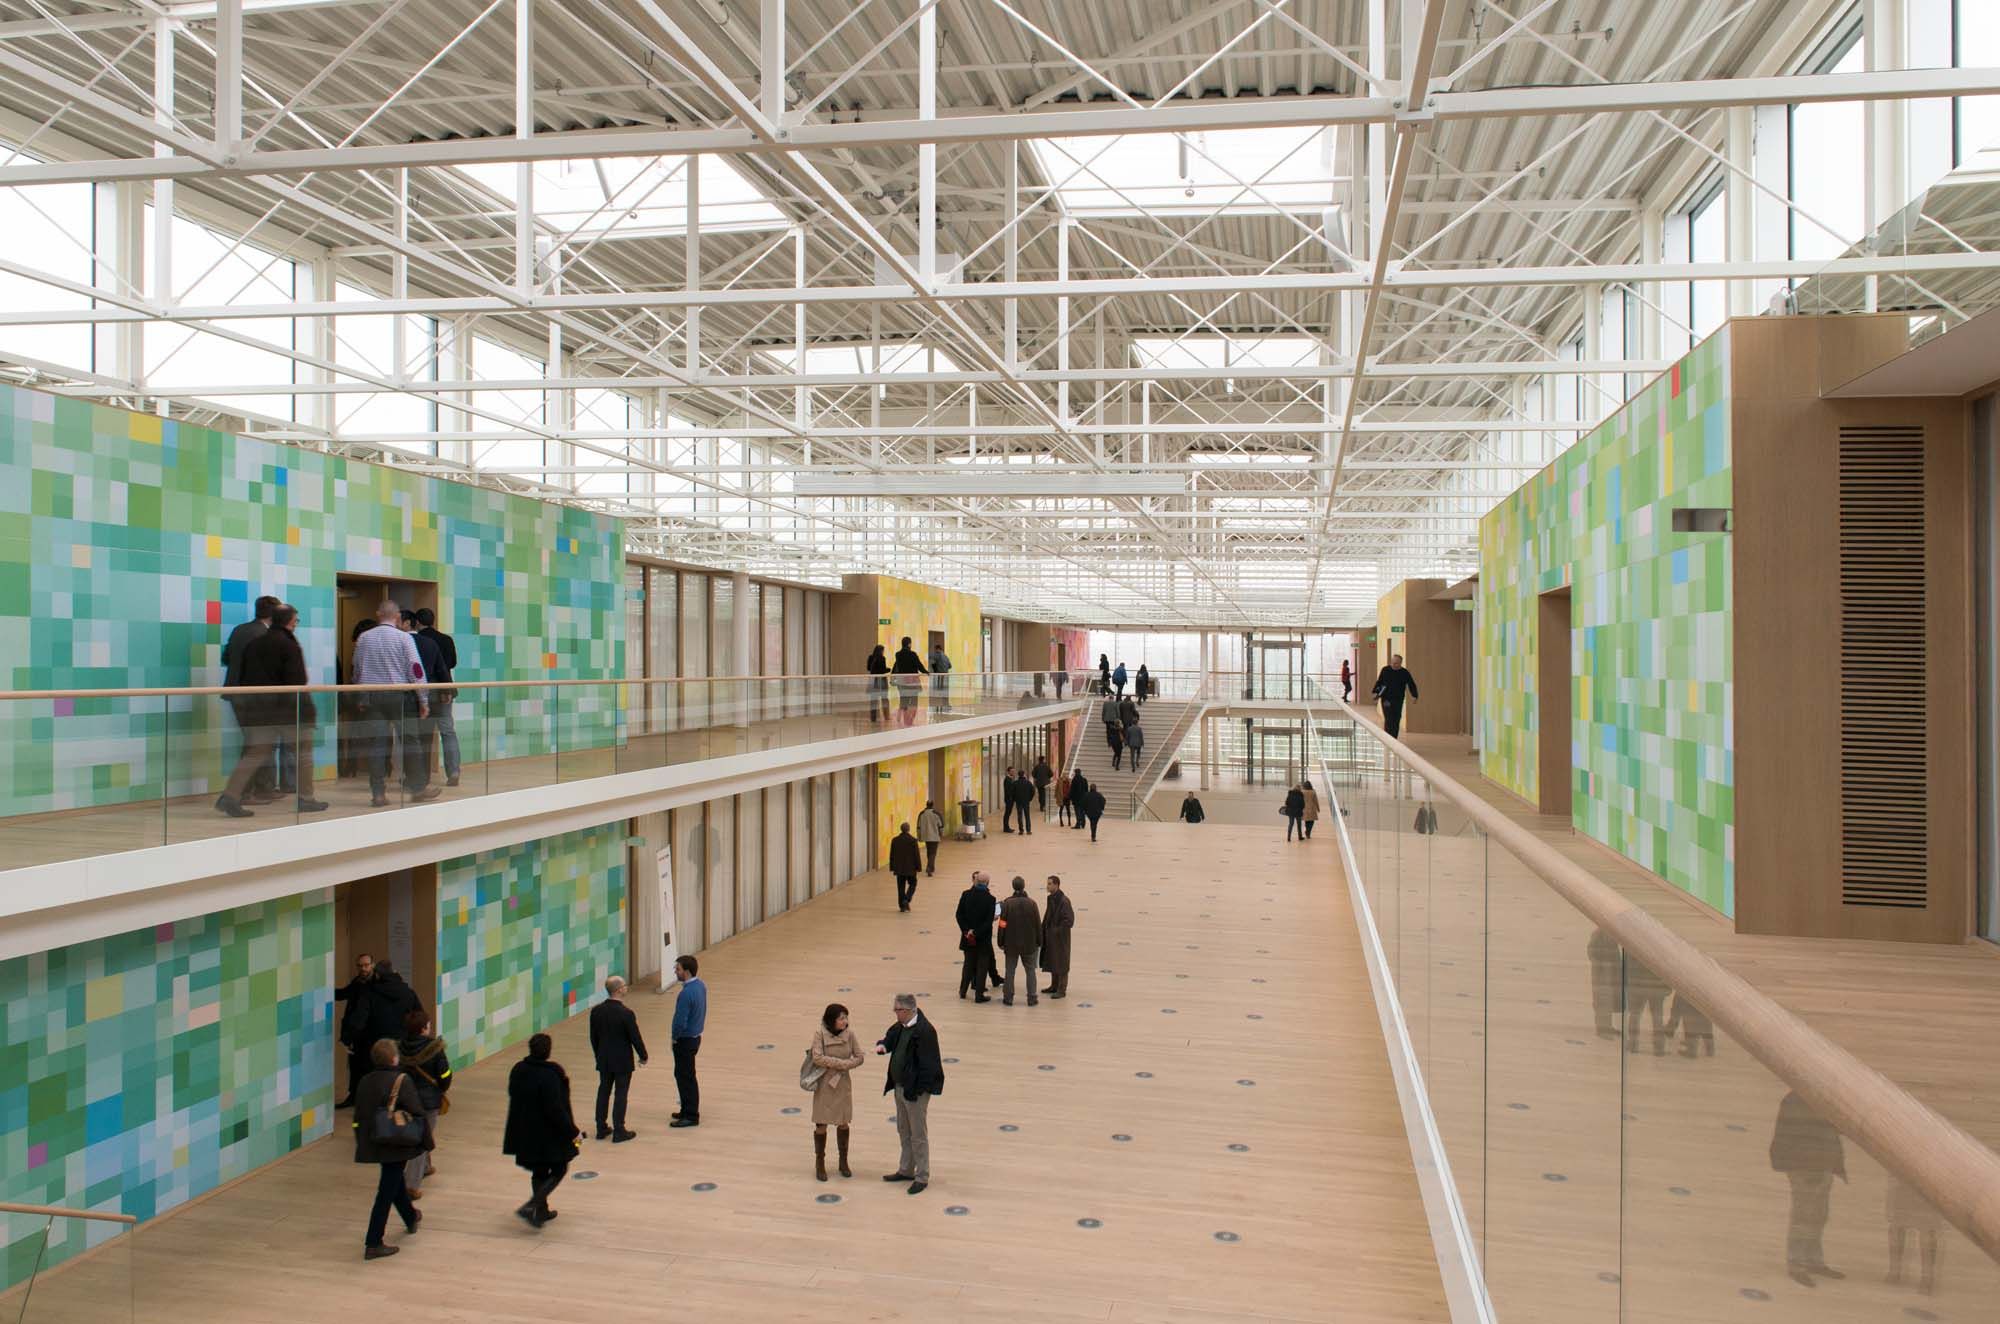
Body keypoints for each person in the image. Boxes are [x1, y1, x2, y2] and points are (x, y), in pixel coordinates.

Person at [217, 604, 329, 817]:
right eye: (296, 620)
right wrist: (305, 711)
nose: (296, 624)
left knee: (255, 752)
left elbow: (244, 675)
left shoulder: (255, 644)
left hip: (260, 710)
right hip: (288, 711)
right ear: (289, 622)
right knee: (303, 753)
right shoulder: (289, 645)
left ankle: (230, 796)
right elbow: (297, 681)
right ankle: (306, 798)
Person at [351, 600, 432, 806]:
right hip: (400, 697)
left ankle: (378, 793)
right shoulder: (404, 638)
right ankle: (418, 788)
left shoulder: (364, 638)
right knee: (410, 742)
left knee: (377, 745)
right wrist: (423, 699)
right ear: (397, 617)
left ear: (378, 614)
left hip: (372, 697)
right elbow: (416, 670)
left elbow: (357, 669)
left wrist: (360, 695)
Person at [353, 1038, 425, 1259]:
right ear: (394, 1058)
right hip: (397, 1141)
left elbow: (360, 1115)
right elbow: (416, 1112)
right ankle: (373, 1241)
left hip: (375, 1139)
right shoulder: (402, 1080)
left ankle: (410, 1216)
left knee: (393, 1180)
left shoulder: (365, 1081)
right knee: (386, 1190)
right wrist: (425, 1141)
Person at [502, 1033, 581, 1230]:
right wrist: (573, 1132)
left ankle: (541, 1210)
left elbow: (512, 1092)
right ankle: (533, 1204)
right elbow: (556, 1109)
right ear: (548, 1051)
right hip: (547, 1134)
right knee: (560, 1168)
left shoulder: (518, 1069)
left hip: (525, 1131)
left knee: (539, 1170)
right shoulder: (551, 1075)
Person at [1769, 1090, 1846, 1287]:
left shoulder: (1823, 1098)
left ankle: (1813, 1260)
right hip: (1806, 1167)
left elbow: (1831, 1128)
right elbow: (1798, 1137)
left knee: (1819, 1215)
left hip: (1823, 1164)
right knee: (1803, 1216)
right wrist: (1810, 1167)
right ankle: (1796, 1264)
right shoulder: (1796, 1101)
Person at [875, 993, 944, 1194]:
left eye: (897, 1010)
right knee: (904, 1130)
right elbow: (891, 1035)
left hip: (915, 1091)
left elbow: (929, 1066)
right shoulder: (902, 1025)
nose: (895, 1013)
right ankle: (906, 1169)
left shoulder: (925, 1031)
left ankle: (922, 1176)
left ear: (908, 1010)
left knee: (918, 1135)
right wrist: (884, 1045)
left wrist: (918, 1091)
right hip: (900, 1087)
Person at [221, 595, 281, 802]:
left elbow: (226, 658)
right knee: (257, 744)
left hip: (236, 694)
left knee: (256, 741)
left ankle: (263, 787)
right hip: (258, 697)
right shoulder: (267, 635)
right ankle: (245, 792)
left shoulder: (239, 630)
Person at [398, 1009, 452, 1199]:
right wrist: (442, 1089)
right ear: (423, 1029)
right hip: (428, 1102)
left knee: (420, 1133)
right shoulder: (435, 1049)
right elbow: (445, 1075)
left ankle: (426, 1167)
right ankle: (411, 1185)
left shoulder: (399, 1048)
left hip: (406, 1100)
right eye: (428, 1025)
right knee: (421, 1139)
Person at [808, 1002, 864, 1181]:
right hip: (825, 1084)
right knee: (821, 1124)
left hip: (842, 1084)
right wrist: (841, 1064)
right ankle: (820, 1163)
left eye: (846, 1018)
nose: (845, 1021)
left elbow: (860, 1057)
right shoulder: (820, 1034)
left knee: (843, 1123)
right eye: (841, 1018)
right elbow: (817, 1057)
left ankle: (843, 1161)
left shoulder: (850, 1034)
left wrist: (847, 1065)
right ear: (832, 1020)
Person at [589, 975, 649, 1142]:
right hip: (622, 1061)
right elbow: (635, 1037)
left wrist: (598, 1055)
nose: (626, 987)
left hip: (604, 1059)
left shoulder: (596, 1011)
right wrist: (643, 1055)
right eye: (624, 985)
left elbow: (593, 1037)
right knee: (620, 1094)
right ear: (619, 990)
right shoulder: (626, 1014)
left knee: (603, 1091)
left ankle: (601, 1128)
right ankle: (619, 1130)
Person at [399, 612, 447, 798]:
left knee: (409, 739)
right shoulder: (430, 643)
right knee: (425, 740)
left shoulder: (400, 643)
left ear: (407, 623)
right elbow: (441, 668)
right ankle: (423, 779)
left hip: (405, 696)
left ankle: (410, 778)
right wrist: (447, 690)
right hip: (430, 694)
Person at [414, 608, 461, 787]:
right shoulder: (446, 639)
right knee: (448, 731)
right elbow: (452, 663)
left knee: (423, 734)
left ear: (418, 622)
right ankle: (454, 771)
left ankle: (420, 775)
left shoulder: (416, 640)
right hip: (445, 689)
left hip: (425, 691)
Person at [334, 953, 376, 1108]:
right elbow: (343, 994)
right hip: (356, 1034)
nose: (363, 968)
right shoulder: (357, 982)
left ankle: (368, 1100)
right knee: (355, 1066)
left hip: (369, 1033)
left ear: (372, 965)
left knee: (368, 1067)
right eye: (360, 965)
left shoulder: (376, 985)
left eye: (366, 965)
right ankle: (353, 1097)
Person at [668, 955, 706, 1126]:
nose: (675, 972)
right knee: (684, 1075)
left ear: (687, 971)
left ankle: (690, 1115)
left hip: (684, 1041)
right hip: (695, 1037)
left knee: (685, 1077)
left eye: (678, 969)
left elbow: (679, 1021)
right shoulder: (700, 986)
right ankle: (686, 1109)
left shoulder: (685, 994)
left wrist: (674, 1037)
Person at [363, 960, 424, 1056]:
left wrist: (348, 1039)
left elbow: (360, 1018)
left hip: (378, 1043)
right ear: (394, 972)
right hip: (403, 1042)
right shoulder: (408, 992)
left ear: (377, 975)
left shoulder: (370, 993)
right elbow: (419, 1016)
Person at [997, 876, 1042, 1007]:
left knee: (1010, 971)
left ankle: (1008, 998)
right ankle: (1032, 998)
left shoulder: (1007, 903)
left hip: (1011, 944)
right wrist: (1039, 941)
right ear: (1024, 886)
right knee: (1030, 971)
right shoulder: (1032, 903)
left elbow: (1002, 924)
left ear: (1013, 886)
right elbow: (1037, 924)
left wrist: (1000, 941)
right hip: (1029, 944)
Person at [955, 873, 998, 1003]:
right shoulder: (990, 899)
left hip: (968, 938)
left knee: (968, 965)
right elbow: (988, 921)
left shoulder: (966, 894)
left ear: (976, 882)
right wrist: (976, 933)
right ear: (987, 883)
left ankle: (963, 991)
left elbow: (959, 915)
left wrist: (967, 931)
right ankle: (979, 995)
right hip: (983, 939)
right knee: (982, 967)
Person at [1040, 875, 1075, 998]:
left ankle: (1061, 989)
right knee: (1053, 960)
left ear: (1056, 885)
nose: (1047, 886)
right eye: (1047, 883)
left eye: (1050, 884)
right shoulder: (1052, 899)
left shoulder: (1064, 901)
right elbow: (1048, 916)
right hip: (1051, 937)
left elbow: (1069, 921)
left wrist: (1056, 931)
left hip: (1060, 939)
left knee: (1062, 963)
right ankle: (1054, 986)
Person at [1372, 653, 1419, 739]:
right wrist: (1375, 693)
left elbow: (1411, 684)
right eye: (1392, 662)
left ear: (1400, 663)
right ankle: (1388, 739)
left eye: (1396, 663)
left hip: (1398, 699)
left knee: (1396, 719)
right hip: (1386, 699)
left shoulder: (1404, 672)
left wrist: (1414, 695)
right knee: (1389, 718)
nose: (1393, 664)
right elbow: (1379, 682)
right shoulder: (1385, 670)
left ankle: (1394, 738)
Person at [891, 636, 927, 727]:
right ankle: (910, 721)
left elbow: (896, 666)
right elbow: (919, 666)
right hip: (913, 681)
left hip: (902, 681)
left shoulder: (898, 654)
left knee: (904, 700)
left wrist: (892, 678)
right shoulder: (913, 654)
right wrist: (926, 672)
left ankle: (905, 720)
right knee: (914, 701)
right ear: (909, 644)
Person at [889, 822, 923, 912]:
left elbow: (892, 854)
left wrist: (892, 867)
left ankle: (902, 906)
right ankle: (906, 899)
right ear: (908, 829)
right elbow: (916, 855)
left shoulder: (895, 840)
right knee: (913, 883)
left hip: (899, 868)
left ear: (901, 829)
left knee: (900, 887)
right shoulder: (913, 840)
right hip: (910, 868)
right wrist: (919, 867)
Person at [916, 801, 945, 876]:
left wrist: (919, 836)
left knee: (929, 852)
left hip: (925, 836)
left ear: (926, 805)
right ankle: (929, 868)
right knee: (933, 853)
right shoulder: (936, 814)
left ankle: (932, 867)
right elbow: (941, 826)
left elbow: (918, 827)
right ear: (933, 805)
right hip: (934, 837)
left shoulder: (921, 814)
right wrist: (941, 834)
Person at [866, 644, 890, 723]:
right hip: (881, 680)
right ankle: (886, 716)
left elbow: (868, 668)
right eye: (883, 651)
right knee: (884, 698)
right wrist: (888, 669)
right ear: (881, 651)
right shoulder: (882, 658)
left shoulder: (870, 657)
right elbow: (882, 670)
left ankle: (873, 718)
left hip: (873, 680)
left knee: (873, 700)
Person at [928, 638, 952, 713]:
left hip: (940, 674)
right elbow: (950, 666)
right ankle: (943, 703)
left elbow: (930, 657)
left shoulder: (937, 654)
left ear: (937, 649)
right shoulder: (946, 656)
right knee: (944, 689)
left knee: (939, 689)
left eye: (935, 650)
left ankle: (939, 703)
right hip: (946, 675)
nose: (935, 651)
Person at [1010, 770, 1035, 836]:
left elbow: (1012, 793)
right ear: (1024, 774)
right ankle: (1028, 830)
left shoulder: (1015, 783)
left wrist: (1015, 799)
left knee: (1019, 816)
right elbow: (1033, 791)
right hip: (1026, 801)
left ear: (1018, 775)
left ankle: (1021, 830)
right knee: (1027, 816)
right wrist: (1030, 799)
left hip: (1018, 802)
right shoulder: (1028, 782)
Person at [1000, 767, 1020, 833]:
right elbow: (1008, 790)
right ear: (1008, 772)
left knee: (1008, 813)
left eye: (1014, 771)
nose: (1013, 772)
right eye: (1011, 771)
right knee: (1007, 813)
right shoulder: (1007, 779)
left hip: (1011, 799)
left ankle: (1007, 827)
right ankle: (1006, 828)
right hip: (1009, 799)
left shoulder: (1011, 779)